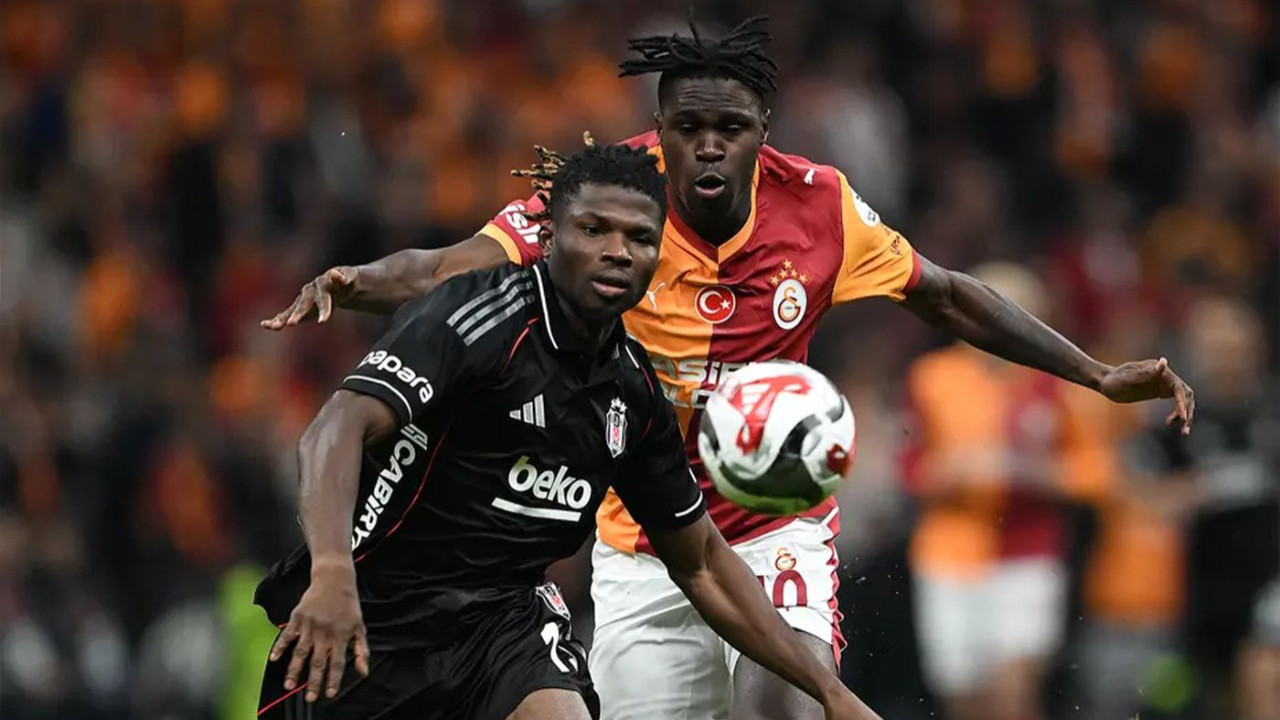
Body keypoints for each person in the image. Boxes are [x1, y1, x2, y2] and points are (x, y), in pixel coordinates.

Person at [262, 16, 1195, 720]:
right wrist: (357, 282)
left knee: (787, 698)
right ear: (660, 130)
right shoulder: (611, 203)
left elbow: (947, 296)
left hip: (773, 518)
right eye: (689, 126)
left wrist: (1097, 373)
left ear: (763, 129)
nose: (709, 144)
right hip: (643, 537)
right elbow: (453, 270)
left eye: (731, 126)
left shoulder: (822, 207)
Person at [255, 144, 883, 720]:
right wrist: (331, 572)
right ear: (549, 236)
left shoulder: (632, 392)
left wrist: (830, 692)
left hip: (503, 625)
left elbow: (704, 564)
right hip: (372, 611)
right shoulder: (480, 318)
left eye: (640, 238)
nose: (618, 251)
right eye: (594, 230)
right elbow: (335, 428)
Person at [901, 263, 1115, 720]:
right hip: (949, 554)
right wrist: (946, 472)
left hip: (1027, 553)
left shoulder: (1060, 384)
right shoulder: (933, 378)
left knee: (1012, 693)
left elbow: (1099, 473)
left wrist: (1039, 473)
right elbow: (909, 469)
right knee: (961, 698)